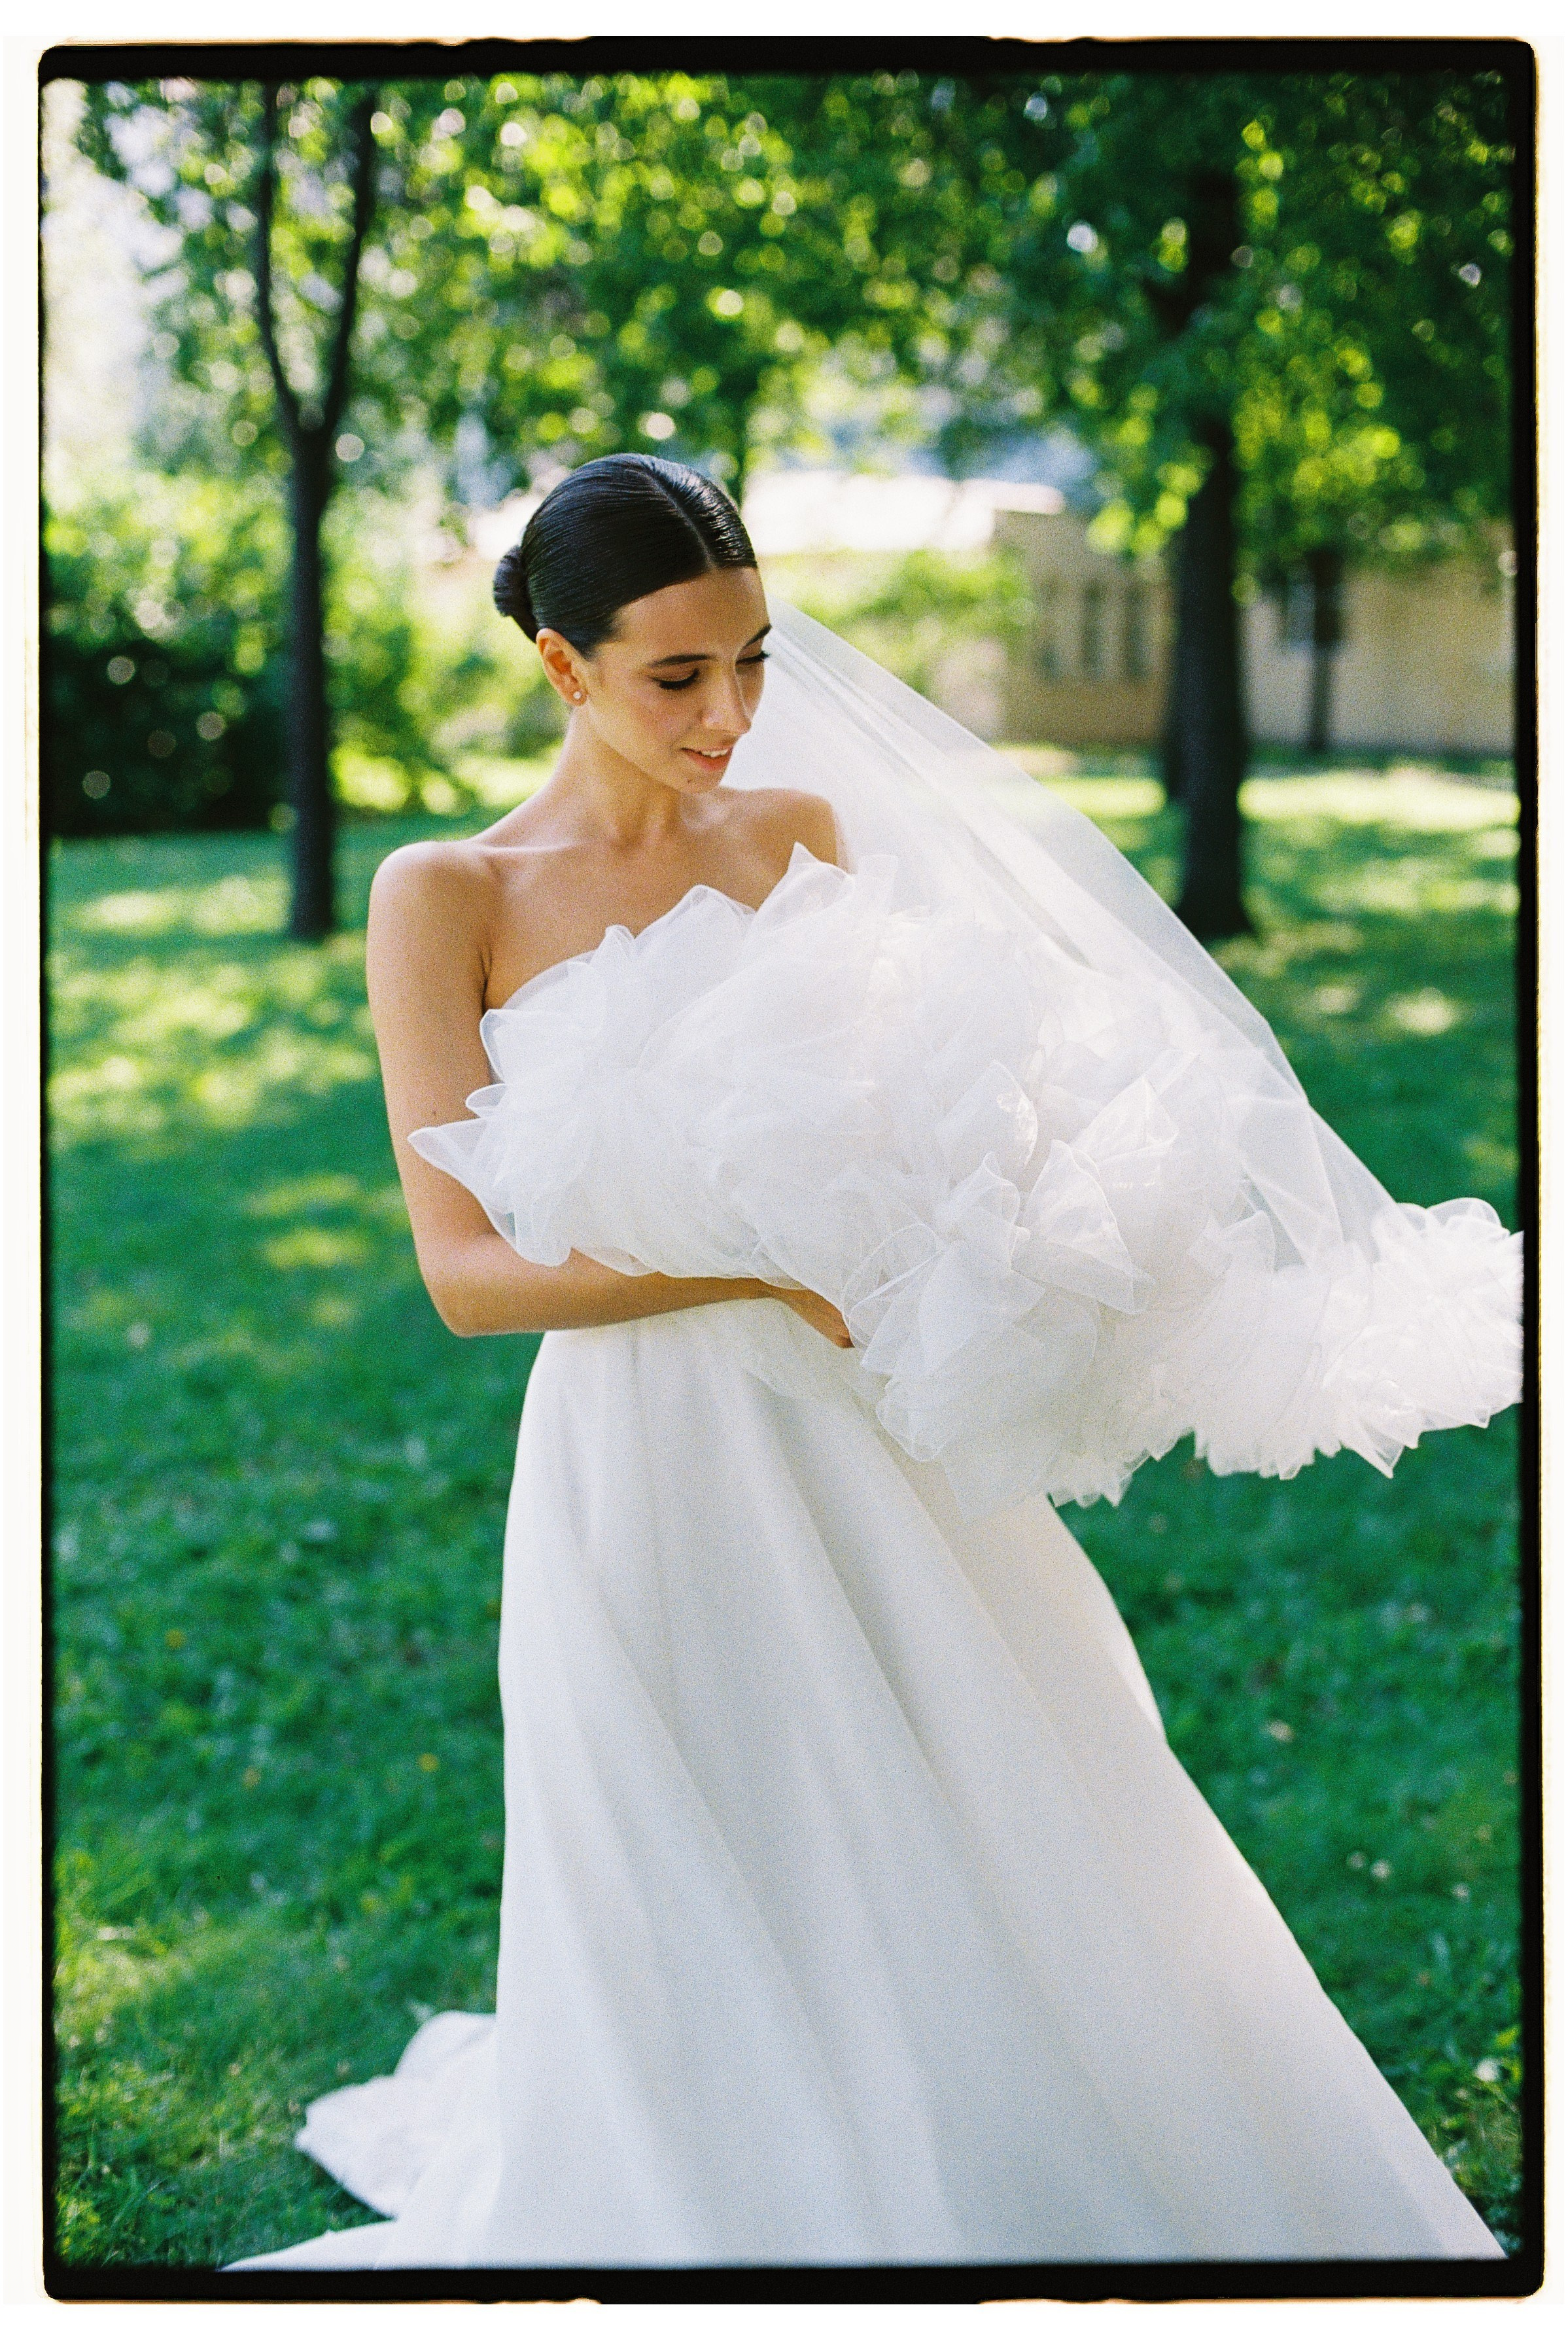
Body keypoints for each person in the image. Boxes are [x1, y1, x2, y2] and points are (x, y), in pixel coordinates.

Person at [232, 455, 1518, 2272]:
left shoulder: (801, 836)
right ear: (560, 667)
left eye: (753, 659)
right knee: (687, 1828)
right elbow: (465, 1272)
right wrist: (741, 1261)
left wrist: (1014, 1213)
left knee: (996, 1789)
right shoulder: (451, 895)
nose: (732, 712)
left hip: (864, 1427)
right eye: (679, 676)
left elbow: (897, 1122)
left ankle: (992, 2141)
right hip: (646, 1455)